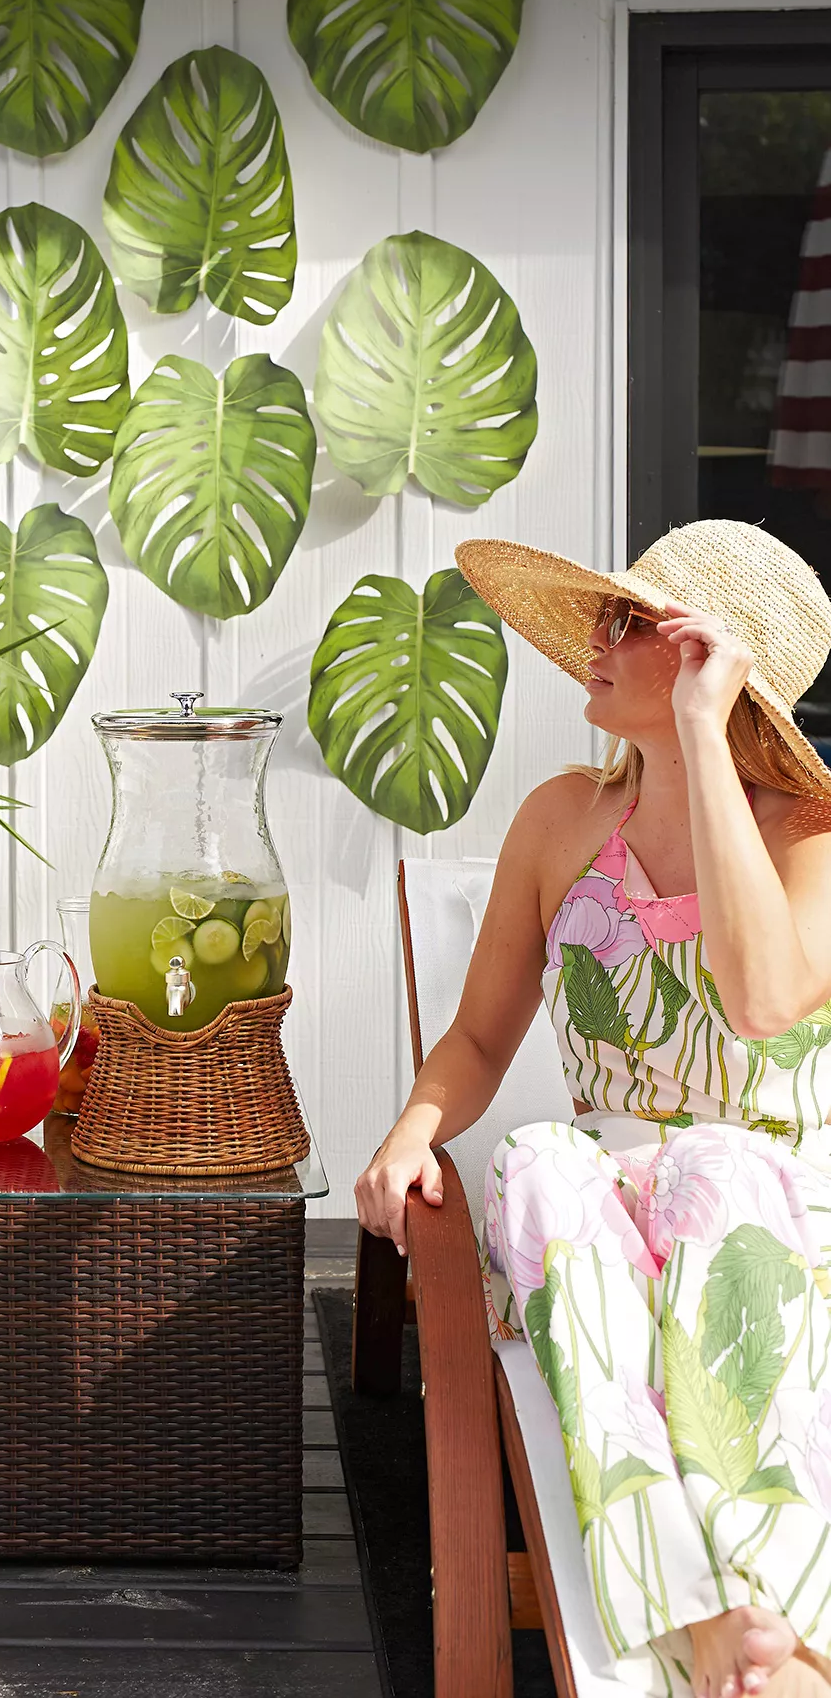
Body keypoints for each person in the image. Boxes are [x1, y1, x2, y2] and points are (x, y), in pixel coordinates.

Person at [355, 520, 831, 1698]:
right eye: (606, 615)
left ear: (716, 666)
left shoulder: (813, 841)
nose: (597, 640)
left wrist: (704, 741)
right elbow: (476, 1038)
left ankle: (777, 1626)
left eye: (636, 625)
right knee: (536, 1156)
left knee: (711, 1173)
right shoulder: (562, 820)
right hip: (600, 1222)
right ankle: (713, 1612)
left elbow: (765, 998)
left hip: (769, 1209)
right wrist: (414, 1126)